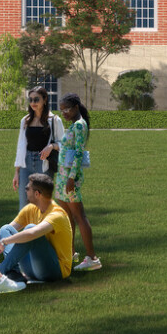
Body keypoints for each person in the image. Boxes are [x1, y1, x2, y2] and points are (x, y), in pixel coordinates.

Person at [0, 173, 74, 283]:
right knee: (5, 229)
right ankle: (14, 273)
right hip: (32, 270)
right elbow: (8, 229)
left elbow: (32, 233)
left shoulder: (57, 215)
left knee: (31, 229)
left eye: (27, 188)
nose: (25, 191)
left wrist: (4, 242)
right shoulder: (31, 209)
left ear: (37, 194)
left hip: (55, 271)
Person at [54, 93, 102, 270]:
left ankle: (92, 258)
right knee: (67, 218)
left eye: (66, 109)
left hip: (69, 179)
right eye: (61, 110)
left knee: (79, 217)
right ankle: (70, 253)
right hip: (62, 177)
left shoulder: (80, 126)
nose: (64, 113)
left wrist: (71, 178)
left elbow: (79, 152)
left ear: (75, 107)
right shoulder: (74, 125)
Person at [14, 87, 59, 210]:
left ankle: (43, 229)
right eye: (31, 99)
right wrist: (16, 172)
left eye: (36, 99)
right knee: (24, 203)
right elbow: (20, 146)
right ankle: (24, 229)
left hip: (44, 163)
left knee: (42, 203)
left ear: (44, 100)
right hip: (26, 162)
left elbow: (64, 144)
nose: (33, 102)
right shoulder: (25, 120)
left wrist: (51, 146)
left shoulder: (54, 120)